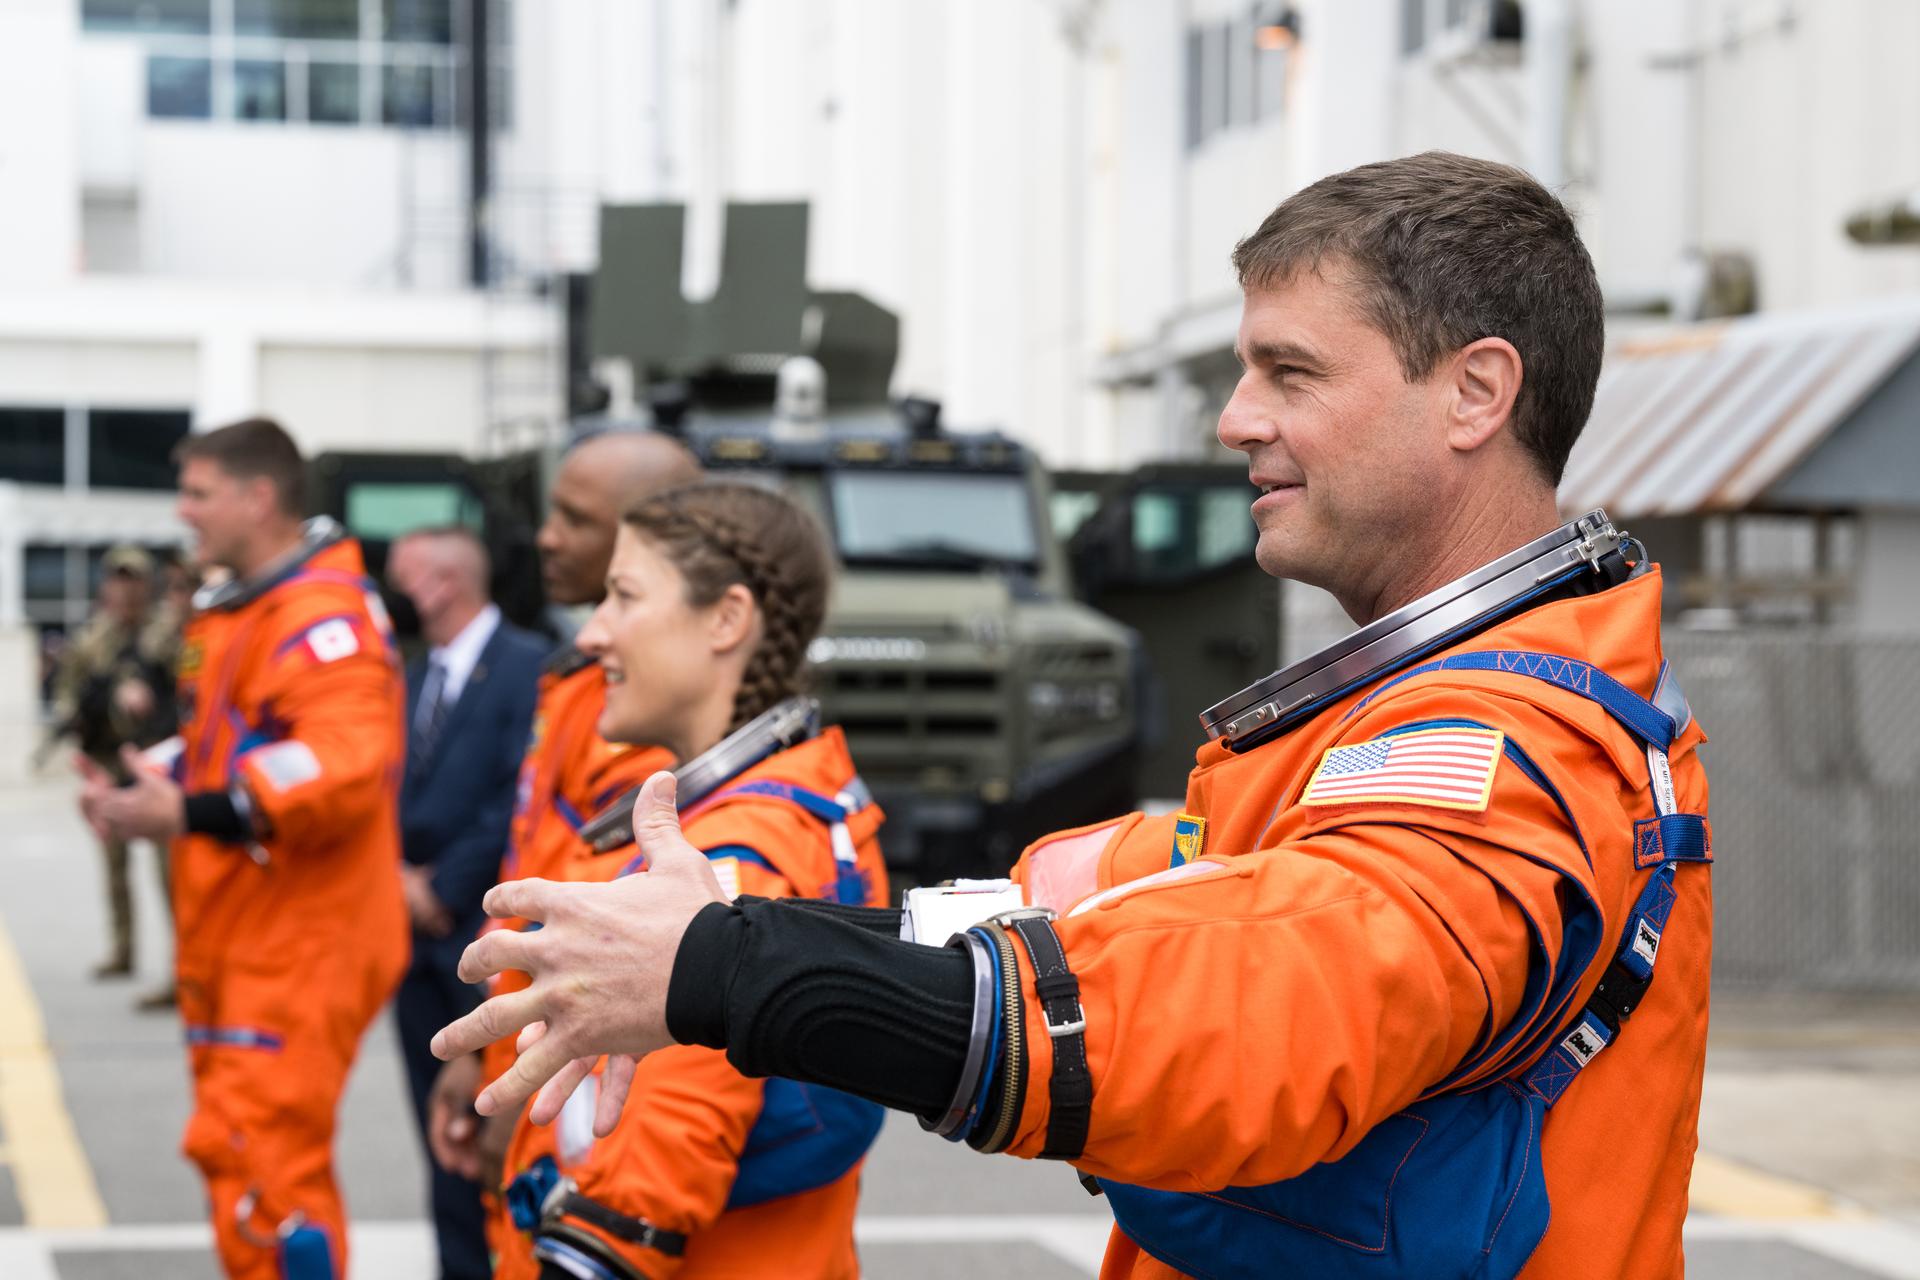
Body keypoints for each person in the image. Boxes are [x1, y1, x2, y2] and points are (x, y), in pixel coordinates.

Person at [437, 152, 1716, 1280]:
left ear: (1477, 393)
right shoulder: (1407, 725)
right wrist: (747, 934)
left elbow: (1246, 1014)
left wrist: (728, 968)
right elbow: (1126, 902)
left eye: (1291, 372)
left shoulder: (1497, 752)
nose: (1237, 419)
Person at [492, 482, 890, 1279]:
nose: (595, 632)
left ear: (726, 620)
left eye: (623, 596)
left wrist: (588, 1250)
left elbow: (665, 1143)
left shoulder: (734, 854)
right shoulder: (781, 804)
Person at [79, 417, 409, 1280]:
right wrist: (139, 788)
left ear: (258, 497)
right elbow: (224, 743)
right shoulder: (242, 610)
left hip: (300, 941)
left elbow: (341, 764)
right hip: (250, 933)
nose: (183, 512)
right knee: (238, 1154)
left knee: (271, 1170)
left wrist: (195, 812)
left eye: (198, 493)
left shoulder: (317, 617)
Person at [422, 429, 700, 1256]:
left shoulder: (646, 721)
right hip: (524, 1039)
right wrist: (481, 1048)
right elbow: (537, 875)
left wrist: (519, 1086)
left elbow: (612, 950)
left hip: (571, 1082)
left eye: (575, 520)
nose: (546, 537)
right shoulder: (574, 681)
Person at [387, 524, 546, 1280]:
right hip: (412, 945)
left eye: (402, 577)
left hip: (483, 938)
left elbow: (517, 799)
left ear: (442, 583)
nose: (394, 593)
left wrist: (440, 887)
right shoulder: (413, 674)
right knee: (438, 1133)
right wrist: (396, 881)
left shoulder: (528, 667)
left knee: (497, 1135)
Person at [46, 545, 178, 983]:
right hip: (108, 761)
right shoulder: (94, 637)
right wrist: (72, 715)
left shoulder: (165, 633)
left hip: (156, 763)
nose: (124, 589)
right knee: (113, 863)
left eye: (133, 579)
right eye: (117, 579)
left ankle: (183, 964)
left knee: (169, 870)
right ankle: (123, 949)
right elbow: (68, 684)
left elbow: (185, 689)